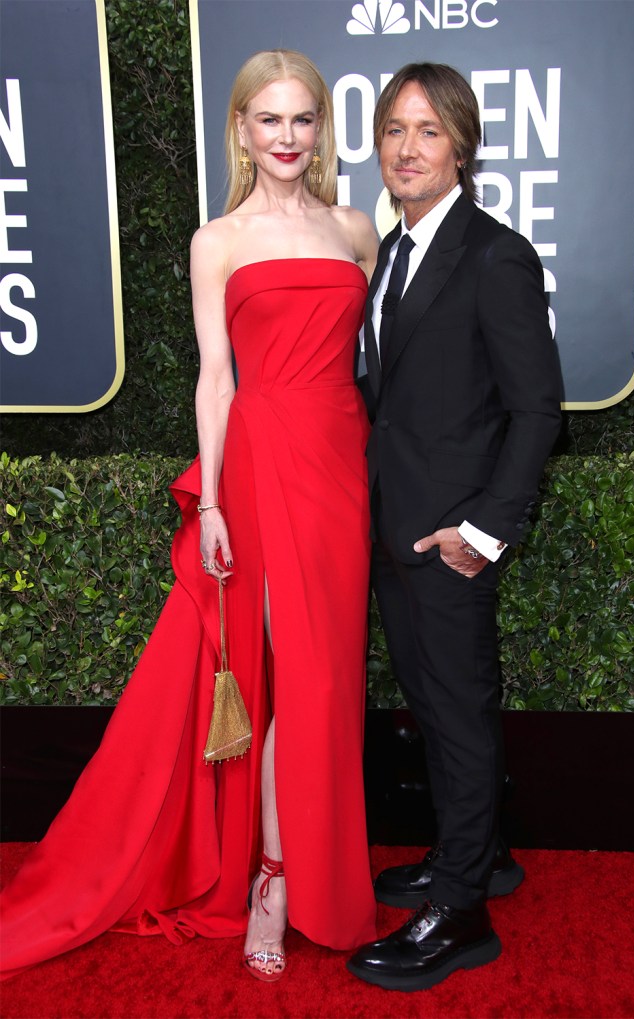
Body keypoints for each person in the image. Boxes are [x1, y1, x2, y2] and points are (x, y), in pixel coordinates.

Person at [1, 49, 378, 984]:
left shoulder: (357, 229)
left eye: (302, 120)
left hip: (340, 463)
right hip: (257, 464)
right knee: (271, 673)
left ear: (319, 128)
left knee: (326, 678)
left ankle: (306, 870)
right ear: (242, 130)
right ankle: (273, 881)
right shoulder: (219, 240)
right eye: (269, 120)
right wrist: (209, 497)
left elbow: (378, 359)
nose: (286, 138)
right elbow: (215, 379)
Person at [348, 63, 563, 992]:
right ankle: (475, 857)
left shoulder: (494, 254)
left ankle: (463, 912)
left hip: (450, 541)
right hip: (393, 530)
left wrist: (484, 529)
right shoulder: (391, 255)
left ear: (463, 147)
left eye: (428, 131)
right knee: (434, 710)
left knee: (461, 716)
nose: (406, 148)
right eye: (394, 130)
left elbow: (538, 410)